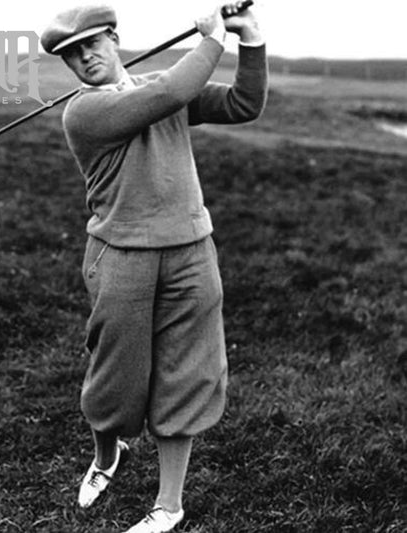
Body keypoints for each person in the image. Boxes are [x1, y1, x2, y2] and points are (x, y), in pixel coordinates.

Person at [41, 3, 267, 532]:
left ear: (114, 39)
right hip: (121, 255)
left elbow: (244, 103)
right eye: (72, 54)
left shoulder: (160, 89)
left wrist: (251, 39)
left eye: (92, 44)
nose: (85, 57)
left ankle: (169, 505)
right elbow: (168, 93)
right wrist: (211, 39)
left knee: (184, 374)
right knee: (114, 377)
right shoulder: (85, 113)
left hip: (191, 252)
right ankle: (106, 456)